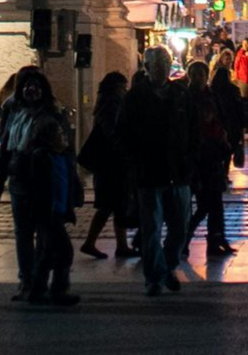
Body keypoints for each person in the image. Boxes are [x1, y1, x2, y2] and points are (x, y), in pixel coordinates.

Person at [0, 67, 80, 306]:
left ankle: (43, 285)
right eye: (27, 85)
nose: (32, 90)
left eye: (36, 86)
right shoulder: (13, 112)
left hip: (44, 183)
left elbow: (66, 152)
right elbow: (6, 151)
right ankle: (29, 281)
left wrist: (74, 186)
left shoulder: (52, 113)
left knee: (48, 235)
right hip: (20, 179)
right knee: (23, 233)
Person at [122, 47, 193, 296]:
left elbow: (193, 129)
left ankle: (168, 265)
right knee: (151, 227)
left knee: (180, 226)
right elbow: (124, 134)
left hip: (178, 171)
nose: (162, 67)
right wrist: (134, 163)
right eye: (157, 63)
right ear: (148, 67)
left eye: (165, 62)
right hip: (149, 171)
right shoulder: (134, 98)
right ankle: (155, 276)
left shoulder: (180, 94)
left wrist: (190, 158)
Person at [182, 61, 238, 259]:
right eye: (194, 74)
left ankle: (216, 238)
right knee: (204, 203)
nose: (198, 77)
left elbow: (222, 120)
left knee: (215, 202)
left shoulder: (211, 95)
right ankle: (186, 238)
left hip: (213, 155)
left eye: (201, 74)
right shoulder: (185, 97)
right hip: (195, 157)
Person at [78, 73, 136, 260]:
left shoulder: (108, 103)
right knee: (109, 204)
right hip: (110, 163)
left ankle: (120, 245)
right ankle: (93, 242)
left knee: (116, 204)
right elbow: (112, 132)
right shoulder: (110, 105)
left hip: (111, 162)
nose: (124, 91)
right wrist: (124, 149)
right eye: (122, 87)